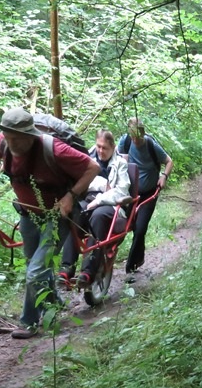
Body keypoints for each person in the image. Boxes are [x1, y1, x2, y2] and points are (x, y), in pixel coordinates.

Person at [0, 108, 100, 339]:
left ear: (31, 135)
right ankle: (55, 303)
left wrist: (70, 196)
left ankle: (28, 322)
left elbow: (93, 167)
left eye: (18, 138)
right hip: (28, 213)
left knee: (36, 271)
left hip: (57, 216)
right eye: (8, 137)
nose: (12, 143)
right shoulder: (3, 142)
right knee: (34, 263)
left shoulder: (54, 149)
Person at [57, 130, 131, 288]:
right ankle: (66, 268)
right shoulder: (87, 158)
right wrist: (102, 185)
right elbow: (77, 182)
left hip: (111, 205)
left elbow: (121, 191)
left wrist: (100, 198)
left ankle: (88, 272)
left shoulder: (120, 163)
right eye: (98, 146)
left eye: (105, 148)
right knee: (73, 215)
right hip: (87, 199)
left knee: (98, 216)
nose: (101, 151)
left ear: (112, 147)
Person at [117, 117, 173, 280]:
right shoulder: (125, 141)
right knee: (120, 224)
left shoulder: (150, 144)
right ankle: (106, 259)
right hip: (130, 192)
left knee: (140, 229)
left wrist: (163, 176)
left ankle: (131, 268)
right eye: (133, 136)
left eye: (138, 136)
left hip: (149, 193)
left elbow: (169, 161)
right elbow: (122, 164)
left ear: (142, 132)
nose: (135, 140)